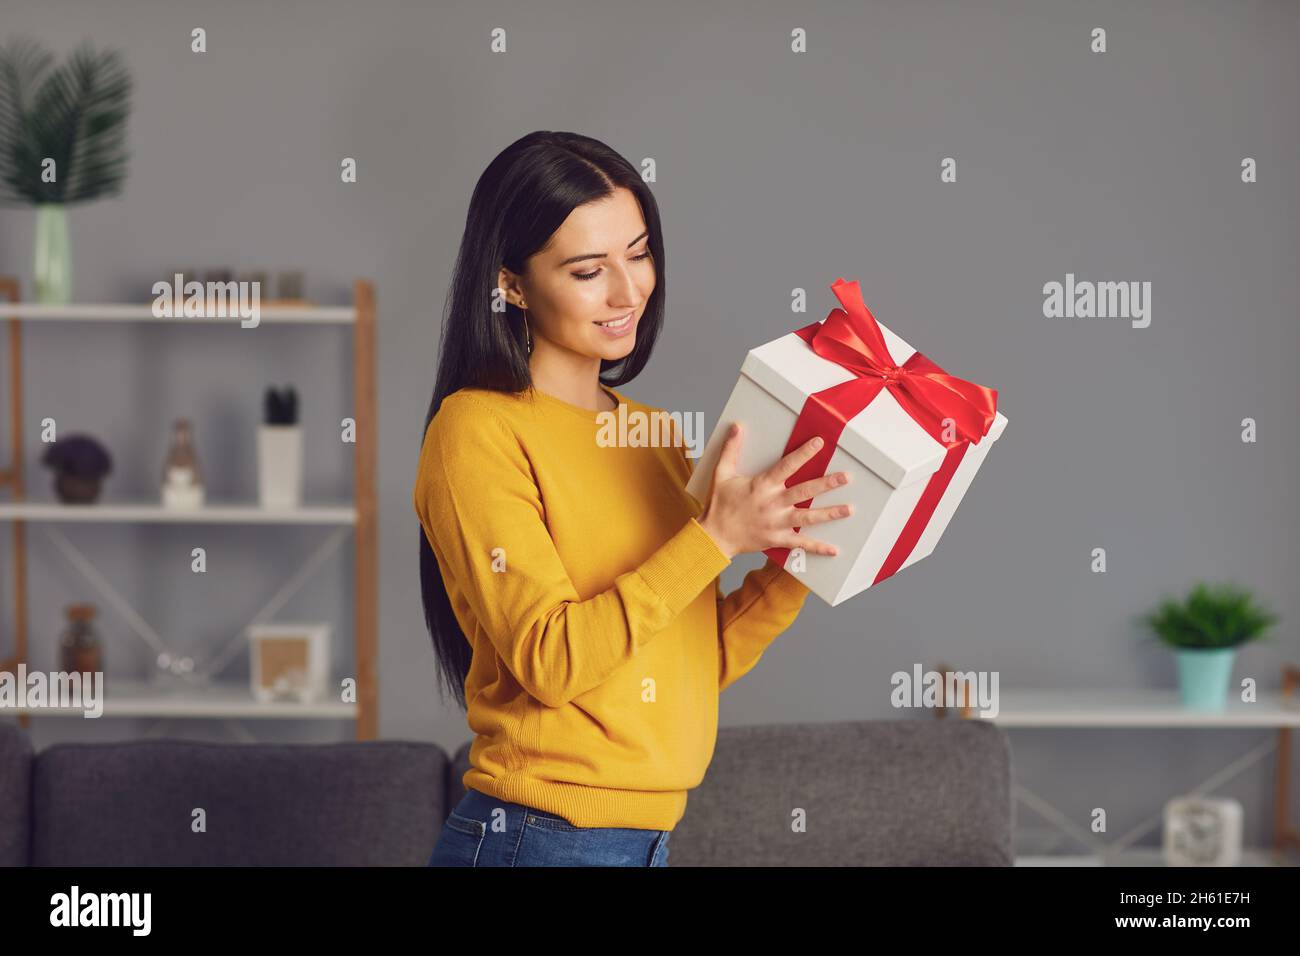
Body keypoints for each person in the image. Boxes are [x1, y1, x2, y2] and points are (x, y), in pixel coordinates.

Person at [414, 131, 852, 867]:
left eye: (639, 252)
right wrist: (714, 538)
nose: (628, 293)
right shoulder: (476, 430)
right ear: (512, 285)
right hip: (537, 838)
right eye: (588, 270)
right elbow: (551, 662)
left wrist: (793, 556)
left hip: (643, 843)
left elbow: (689, 660)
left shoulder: (655, 434)